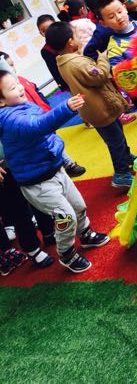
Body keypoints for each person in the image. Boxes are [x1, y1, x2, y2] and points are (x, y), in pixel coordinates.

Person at [0, 71, 109, 274]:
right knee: (65, 217)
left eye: (17, 82)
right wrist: (66, 109)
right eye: (13, 88)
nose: (20, 87)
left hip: (53, 169)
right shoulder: (7, 118)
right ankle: (66, 252)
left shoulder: (24, 106)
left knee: (78, 206)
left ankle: (85, 234)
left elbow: (46, 132)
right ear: (1, 101)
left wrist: (58, 150)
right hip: (37, 182)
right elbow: (37, 126)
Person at [45, 22, 135, 189]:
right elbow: (99, 76)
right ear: (70, 42)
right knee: (116, 141)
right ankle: (121, 173)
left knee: (117, 137)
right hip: (101, 110)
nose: (79, 39)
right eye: (77, 36)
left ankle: (127, 157)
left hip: (94, 109)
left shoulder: (64, 61)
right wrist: (103, 58)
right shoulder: (77, 63)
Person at [0, 51, 86, 178]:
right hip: (38, 130)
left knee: (51, 141)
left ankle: (67, 164)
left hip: (44, 118)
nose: (12, 70)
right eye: (8, 67)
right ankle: (68, 164)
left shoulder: (20, 82)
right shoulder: (10, 116)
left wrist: (46, 107)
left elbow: (36, 92)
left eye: (12, 65)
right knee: (46, 144)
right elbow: (36, 126)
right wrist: (65, 108)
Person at [95, 0, 137, 138]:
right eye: (111, 17)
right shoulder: (114, 49)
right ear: (103, 23)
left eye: (119, 11)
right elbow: (126, 81)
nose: (118, 17)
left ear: (125, 7)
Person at [0, 160, 54, 271]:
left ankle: (48, 232)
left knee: (37, 192)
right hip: (4, 167)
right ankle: (32, 249)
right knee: (17, 207)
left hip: (22, 157)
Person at [37, 14, 70, 91]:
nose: (49, 32)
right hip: (69, 79)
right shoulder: (46, 50)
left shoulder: (68, 35)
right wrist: (64, 86)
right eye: (44, 31)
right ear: (41, 33)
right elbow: (54, 71)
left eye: (51, 27)